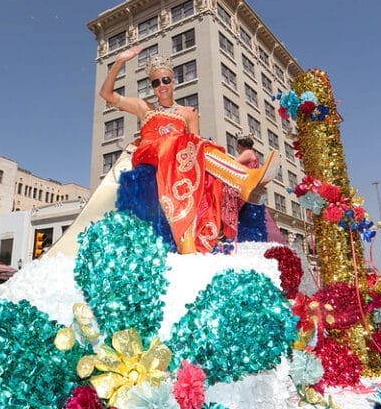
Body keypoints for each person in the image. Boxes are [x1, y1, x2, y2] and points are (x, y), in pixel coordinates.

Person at [99, 46, 276, 253]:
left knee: (198, 153)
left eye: (165, 80)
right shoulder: (143, 107)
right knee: (180, 141)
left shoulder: (189, 112)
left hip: (181, 165)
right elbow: (106, 94)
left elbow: (196, 145)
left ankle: (190, 238)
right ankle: (241, 178)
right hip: (152, 156)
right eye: (156, 83)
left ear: (173, 81)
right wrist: (119, 61)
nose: (161, 86)